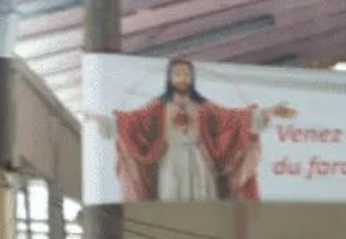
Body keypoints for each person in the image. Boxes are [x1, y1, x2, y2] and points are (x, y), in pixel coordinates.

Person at [91, 58, 295, 202]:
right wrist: (104, 121)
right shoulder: (158, 107)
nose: (182, 78)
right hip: (170, 162)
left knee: (203, 200)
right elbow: (132, 123)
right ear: (170, 78)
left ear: (192, 78)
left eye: (186, 74)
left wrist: (268, 112)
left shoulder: (203, 107)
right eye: (178, 74)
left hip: (200, 162)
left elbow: (235, 120)